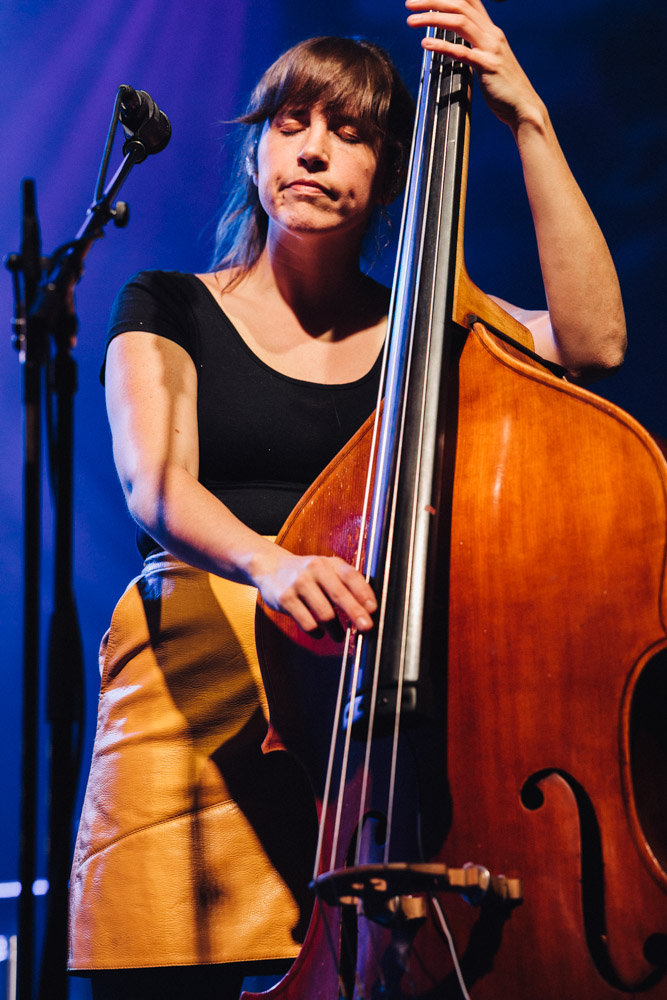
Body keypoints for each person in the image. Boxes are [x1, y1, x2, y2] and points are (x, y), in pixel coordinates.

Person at [68, 2, 626, 998]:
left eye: (351, 132)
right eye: (292, 125)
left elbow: (593, 346)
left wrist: (528, 120)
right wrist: (274, 564)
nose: (316, 153)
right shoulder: (168, 302)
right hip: (200, 687)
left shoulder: (427, 326)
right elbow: (156, 485)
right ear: (256, 154)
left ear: (387, 174)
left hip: (358, 718)